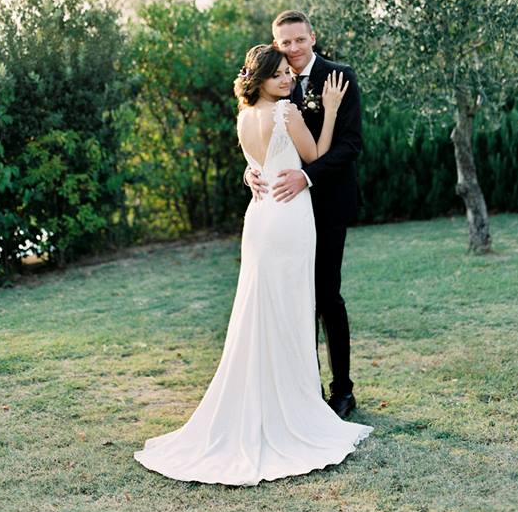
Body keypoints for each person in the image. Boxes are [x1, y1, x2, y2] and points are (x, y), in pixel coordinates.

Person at [134, 44, 371, 485]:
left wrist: (250, 172)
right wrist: (332, 110)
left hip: (260, 218)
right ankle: (293, 406)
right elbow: (317, 156)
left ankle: (267, 400)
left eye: (288, 74)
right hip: (289, 216)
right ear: (260, 79)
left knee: (261, 309)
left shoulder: (243, 115)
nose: (287, 80)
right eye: (278, 74)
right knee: (291, 309)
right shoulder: (286, 112)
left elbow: (257, 163)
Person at [246, 10, 362, 419]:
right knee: (294, 299)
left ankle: (342, 390)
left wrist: (307, 177)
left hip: (326, 205)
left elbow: (350, 144)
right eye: (285, 43)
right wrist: (250, 171)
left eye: (299, 40)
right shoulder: (274, 79)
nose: (293, 49)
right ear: (275, 44)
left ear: (312, 37)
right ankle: (303, 390)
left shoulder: (339, 77)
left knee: (327, 295)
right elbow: (260, 137)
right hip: (283, 210)